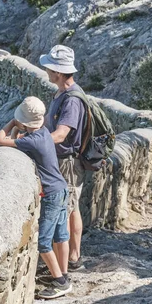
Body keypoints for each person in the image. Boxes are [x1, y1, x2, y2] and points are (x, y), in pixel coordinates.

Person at [0, 96, 72, 299]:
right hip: (62, 188)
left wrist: (12, 122)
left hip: (51, 194)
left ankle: (60, 283)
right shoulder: (44, 133)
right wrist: (22, 125)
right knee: (61, 235)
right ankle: (63, 274)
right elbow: (16, 138)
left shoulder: (31, 141)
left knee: (44, 242)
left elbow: (0, 140)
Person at [39, 45, 86, 271]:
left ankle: (68, 261)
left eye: (49, 68)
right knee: (72, 207)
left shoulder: (71, 100)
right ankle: (72, 258)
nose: (46, 71)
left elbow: (61, 134)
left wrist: (35, 143)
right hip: (64, 160)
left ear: (58, 72)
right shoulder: (61, 93)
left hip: (67, 162)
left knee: (66, 210)